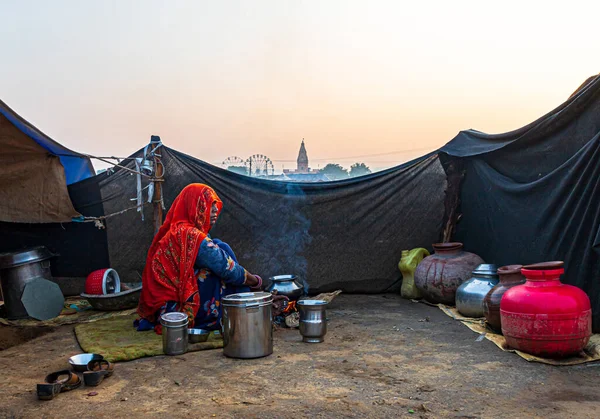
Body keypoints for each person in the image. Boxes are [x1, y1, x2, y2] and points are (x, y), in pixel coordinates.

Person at [136, 183, 287, 333]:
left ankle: (248, 304)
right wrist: (256, 282)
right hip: (174, 311)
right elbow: (230, 270)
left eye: (215, 205)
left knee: (220, 246)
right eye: (208, 204)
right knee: (220, 273)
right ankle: (245, 310)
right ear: (194, 207)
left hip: (160, 307)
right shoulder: (192, 237)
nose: (215, 210)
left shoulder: (177, 230)